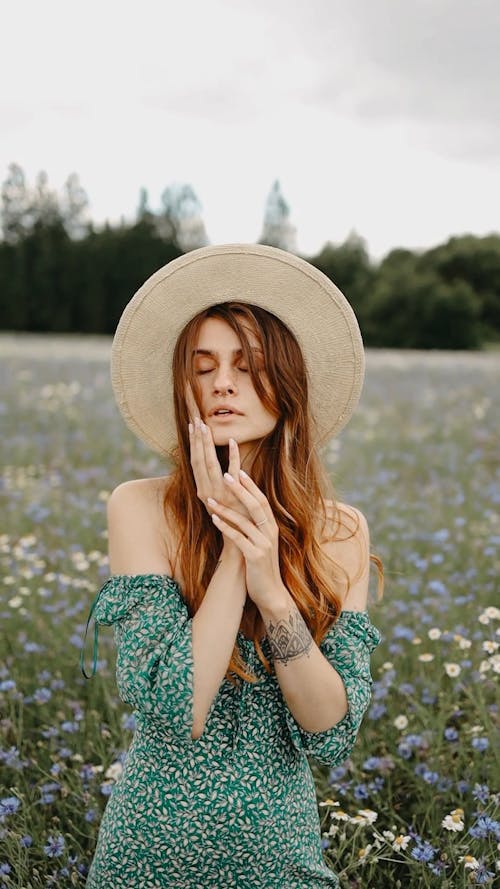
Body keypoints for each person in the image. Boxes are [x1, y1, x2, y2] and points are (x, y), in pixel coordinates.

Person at [80, 243, 382, 888]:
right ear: (184, 387)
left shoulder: (339, 531)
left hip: (282, 861)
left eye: (249, 366)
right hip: (148, 857)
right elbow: (174, 712)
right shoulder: (140, 508)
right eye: (204, 367)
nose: (223, 383)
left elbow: (330, 732)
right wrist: (233, 555)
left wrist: (273, 593)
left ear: (287, 385)